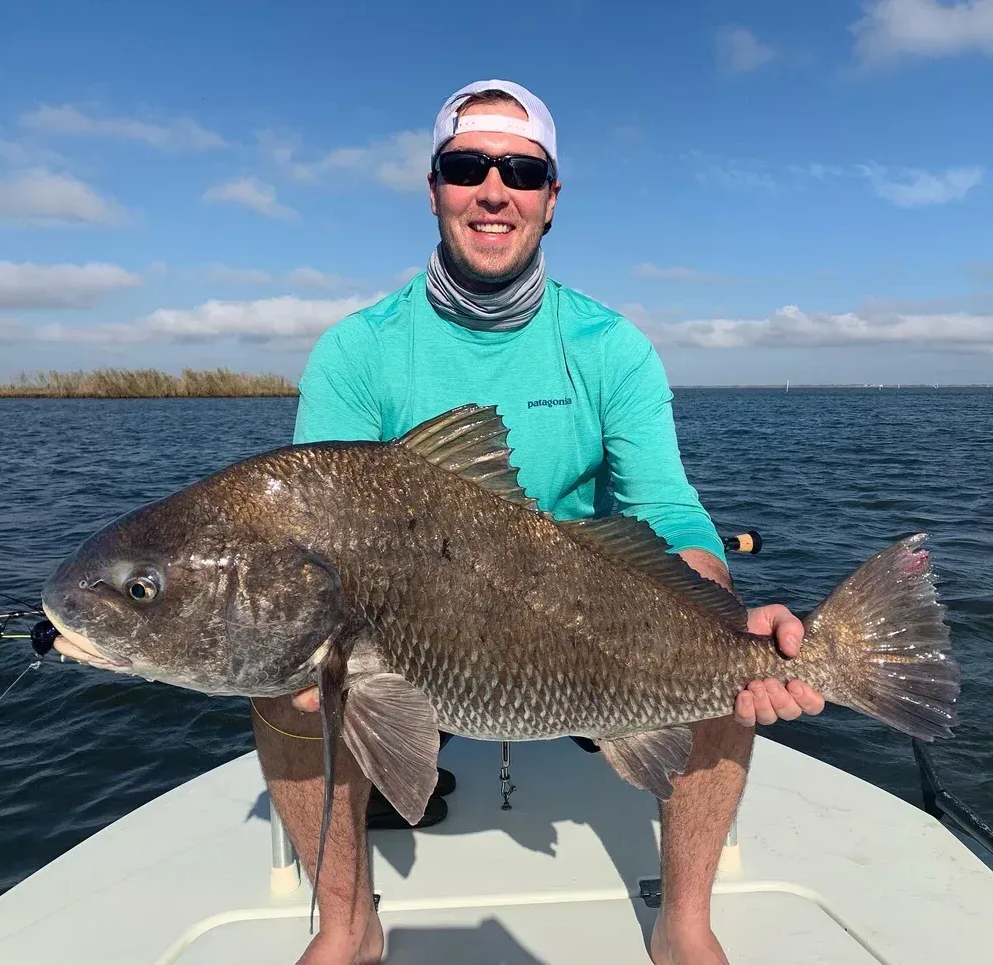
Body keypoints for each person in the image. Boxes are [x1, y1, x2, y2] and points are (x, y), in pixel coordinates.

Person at [250, 79, 826, 965]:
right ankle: (348, 925)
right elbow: (322, 532)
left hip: (590, 639)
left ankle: (683, 923)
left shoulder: (611, 346)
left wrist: (719, 609)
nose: (494, 187)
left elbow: (667, 509)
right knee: (284, 676)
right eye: (466, 164)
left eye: (521, 169)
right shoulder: (357, 350)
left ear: (551, 199)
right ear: (434, 185)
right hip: (420, 646)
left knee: (714, 652)